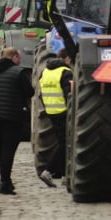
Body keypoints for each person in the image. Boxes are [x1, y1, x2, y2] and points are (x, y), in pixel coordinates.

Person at [0, 47, 34, 195]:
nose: (20, 61)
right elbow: (30, 92)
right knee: (9, 149)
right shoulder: (18, 72)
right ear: (14, 57)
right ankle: (4, 182)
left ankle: (6, 180)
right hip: (12, 116)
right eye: (19, 58)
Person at [37, 48, 73, 187]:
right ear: (67, 59)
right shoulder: (65, 72)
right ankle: (48, 170)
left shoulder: (45, 72)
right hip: (63, 112)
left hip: (51, 111)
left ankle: (64, 175)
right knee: (65, 143)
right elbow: (69, 95)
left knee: (62, 142)